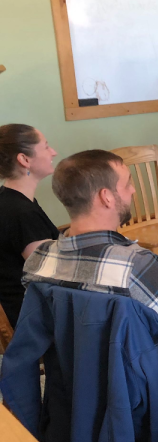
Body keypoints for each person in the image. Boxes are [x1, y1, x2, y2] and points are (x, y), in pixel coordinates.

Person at [22, 150, 158, 398]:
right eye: (128, 183)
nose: (133, 191)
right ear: (106, 197)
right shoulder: (136, 263)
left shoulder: (39, 259)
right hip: (156, 380)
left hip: (80, 380)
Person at [0, 124, 60, 327]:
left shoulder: (11, 199)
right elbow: (51, 275)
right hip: (33, 319)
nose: (53, 152)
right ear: (24, 159)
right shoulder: (21, 213)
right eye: (46, 146)